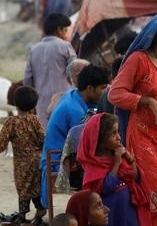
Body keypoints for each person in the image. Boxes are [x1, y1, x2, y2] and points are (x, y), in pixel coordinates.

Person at [109, 12, 157, 226]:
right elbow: (115, 93)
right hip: (142, 137)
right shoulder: (138, 60)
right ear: (154, 34)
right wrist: (146, 101)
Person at [39, 65, 110, 214]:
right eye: (103, 88)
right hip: (58, 161)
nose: (105, 92)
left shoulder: (73, 95)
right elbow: (89, 144)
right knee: (108, 172)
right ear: (90, 88)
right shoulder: (74, 111)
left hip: (64, 154)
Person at [77, 113, 151, 226]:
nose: (118, 137)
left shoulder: (118, 155)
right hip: (113, 212)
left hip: (129, 210)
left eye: (118, 132)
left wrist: (130, 160)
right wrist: (117, 163)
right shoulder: (95, 164)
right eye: (113, 134)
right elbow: (106, 187)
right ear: (100, 139)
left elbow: (134, 177)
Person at [0, 86, 45, 226]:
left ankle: (23, 213)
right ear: (34, 105)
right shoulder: (35, 120)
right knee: (35, 186)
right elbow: (43, 140)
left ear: (15, 103)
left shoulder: (10, 122)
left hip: (21, 163)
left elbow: (1, 143)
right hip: (37, 160)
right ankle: (39, 209)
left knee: (23, 187)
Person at [24, 13, 77, 127]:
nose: (67, 34)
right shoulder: (65, 46)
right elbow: (76, 71)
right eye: (66, 30)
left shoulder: (34, 49)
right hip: (63, 100)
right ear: (59, 29)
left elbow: (27, 80)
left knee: (45, 135)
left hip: (41, 102)